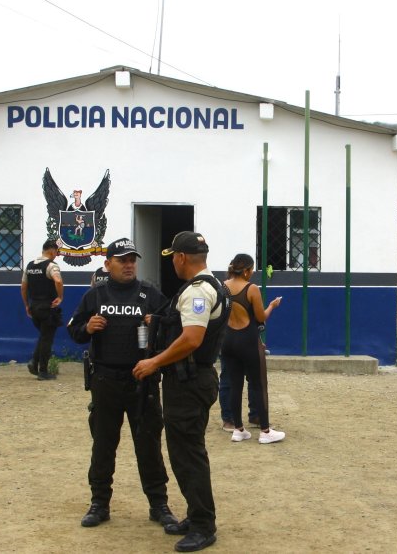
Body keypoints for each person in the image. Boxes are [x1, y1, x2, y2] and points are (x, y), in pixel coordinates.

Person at [66, 238, 179, 530]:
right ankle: (99, 504)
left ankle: (159, 505)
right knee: (103, 444)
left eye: (132, 260)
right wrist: (87, 327)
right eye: (122, 260)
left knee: (149, 445)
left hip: (142, 383)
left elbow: (173, 329)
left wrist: (157, 323)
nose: (129, 265)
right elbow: (74, 330)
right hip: (106, 381)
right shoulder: (95, 296)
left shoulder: (150, 293)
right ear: (108, 264)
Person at [133, 231, 229, 553]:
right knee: (185, 453)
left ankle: (203, 525)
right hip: (191, 380)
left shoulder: (198, 291)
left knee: (188, 455)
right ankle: (196, 514)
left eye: (173, 255)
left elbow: (192, 339)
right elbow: (184, 327)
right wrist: (159, 321)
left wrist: (154, 363)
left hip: (188, 383)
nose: (172, 260)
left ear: (182, 258)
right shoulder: (211, 286)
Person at [220, 254, 285, 444]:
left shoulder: (223, 286)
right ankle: (265, 430)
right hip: (247, 340)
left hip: (228, 340)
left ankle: (238, 429)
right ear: (247, 270)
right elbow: (260, 317)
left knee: (234, 385)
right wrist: (272, 305)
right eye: (252, 269)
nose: (253, 273)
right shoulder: (252, 289)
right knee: (257, 384)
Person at [22, 238, 64, 380]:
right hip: (48, 308)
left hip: (34, 307)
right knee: (47, 339)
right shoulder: (51, 266)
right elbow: (58, 280)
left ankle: (34, 363)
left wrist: (27, 304)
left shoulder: (29, 266)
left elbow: (23, 287)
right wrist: (60, 297)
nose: (56, 255)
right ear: (52, 251)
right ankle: (43, 371)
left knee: (43, 336)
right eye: (56, 252)